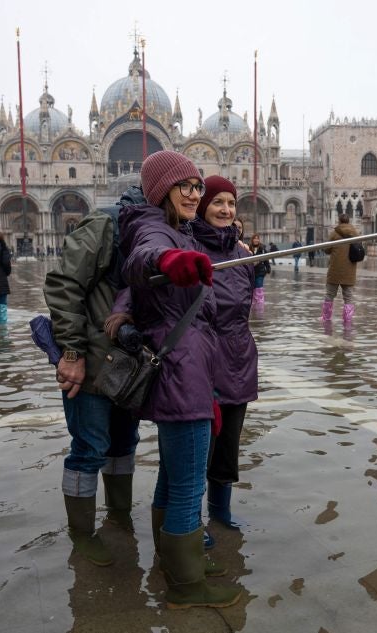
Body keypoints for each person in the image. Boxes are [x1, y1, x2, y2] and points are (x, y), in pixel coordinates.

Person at [116, 150, 241, 609]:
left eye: (196, 186)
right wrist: (170, 261)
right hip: (181, 372)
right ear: (160, 191)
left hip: (191, 370)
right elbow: (141, 259)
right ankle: (187, 587)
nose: (193, 194)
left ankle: (174, 561)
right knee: (189, 486)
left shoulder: (179, 229)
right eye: (183, 186)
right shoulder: (153, 228)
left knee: (172, 479)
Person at [44, 201, 141, 568]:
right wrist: (72, 352)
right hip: (91, 363)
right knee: (89, 448)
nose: (191, 196)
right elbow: (64, 284)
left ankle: (119, 516)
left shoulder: (167, 228)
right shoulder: (107, 223)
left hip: (130, 367)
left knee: (124, 444)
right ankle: (82, 534)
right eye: (184, 187)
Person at [192, 177, 258, 536]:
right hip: (200, 363)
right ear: (203, 206)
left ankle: (220, 512)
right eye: (218, 202)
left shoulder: (244, 255)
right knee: (197, 447)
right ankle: (190, 519)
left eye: (231, 203)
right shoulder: (186, 247)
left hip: (237, 361)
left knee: (228, 446)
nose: (226, 209)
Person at [321, 214, 359, 323]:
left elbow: (327, 250)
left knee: (329, 295)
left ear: (339, 221)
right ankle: (348, 320)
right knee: (348, 297)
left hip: (335, 270)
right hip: (350, 270)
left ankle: (326, 318)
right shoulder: (355, 233)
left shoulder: (335, 233)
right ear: (349, 221)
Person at [248, 234, 270, 305]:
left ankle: (260, 304)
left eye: (257, 238)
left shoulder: (262, 249)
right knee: (253, 289)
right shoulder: (248, 248)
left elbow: (266, 259)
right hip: (251, 272)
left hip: (260, 271)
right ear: (252, 240)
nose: (256, 240)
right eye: (255, 238)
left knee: (259, 288)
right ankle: (254, 304)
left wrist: (268, 268)